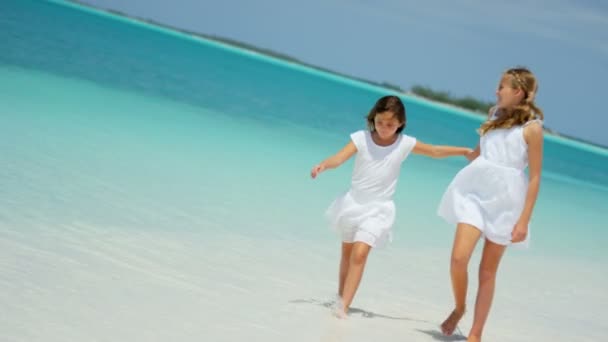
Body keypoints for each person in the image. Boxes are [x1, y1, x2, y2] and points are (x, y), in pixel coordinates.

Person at [310, 95, 473, 318]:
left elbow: (434, 151)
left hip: (378, 210)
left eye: (390, 124)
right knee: (347, 254)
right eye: (379, 122)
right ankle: (341, 297)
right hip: (352, 204)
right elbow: (339, 158)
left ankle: (344, 306)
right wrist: (323, 165)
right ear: (373, 118)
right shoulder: (361, 139)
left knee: (360, 254)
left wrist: (463, 151)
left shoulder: (404, 144)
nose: (384, 128)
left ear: (400, 124)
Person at [437, 67, 544, 341]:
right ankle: (460, 307)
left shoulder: (532, 129)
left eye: (502, 87)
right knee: (458, 259)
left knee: (487, 271)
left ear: (517, 92)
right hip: (475, 192)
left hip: (507, 202)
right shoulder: (493, 115)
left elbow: (534, 177)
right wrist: (432, 150)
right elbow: (480, 154)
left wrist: (524, 220)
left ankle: (475, 334)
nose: (497, 91)